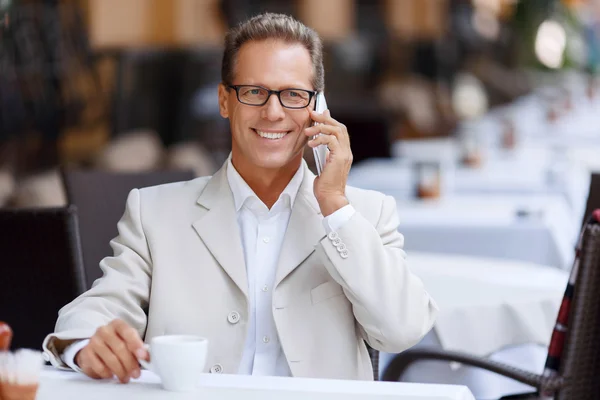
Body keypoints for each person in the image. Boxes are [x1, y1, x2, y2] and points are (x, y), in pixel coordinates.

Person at [42, 13, 437, 382]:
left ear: (318, 107)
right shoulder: (154, 213)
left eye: (294, 95)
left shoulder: (362, 214)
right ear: (224, 101)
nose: (272, 112)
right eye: (253, 91)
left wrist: (333, 203)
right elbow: (93, 312)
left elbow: (402, 329)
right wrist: (87, 344)